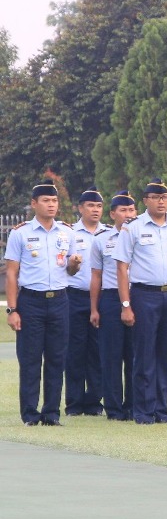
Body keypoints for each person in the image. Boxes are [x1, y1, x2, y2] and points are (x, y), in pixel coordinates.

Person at [114, 178, 167, 425]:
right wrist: (126, 305)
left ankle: (161, 408)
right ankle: (143, 410)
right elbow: (121, 267)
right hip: (144, 295)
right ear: (145, 200)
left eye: (165, 198)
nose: (161, 202)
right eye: (156, 197)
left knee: (166, 354)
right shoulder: (133, 227)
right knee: (144, 354)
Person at [4, 181, 77, 426]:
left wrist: (75, 264)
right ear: (34, 204)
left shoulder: (66, 232)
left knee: (57, 359)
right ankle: (29, 414)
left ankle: (52, 413)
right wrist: (12, 309)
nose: (51, 205)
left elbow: (70, 270)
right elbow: (12, 274)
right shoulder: (21, 232)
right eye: (46, 201)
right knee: (31, 359)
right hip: (31, 301)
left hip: (59, 300)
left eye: (54, 201)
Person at [89, 190, 138, 421]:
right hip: (110, 299)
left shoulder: (141, 236)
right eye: (123, 210)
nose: (128, 214)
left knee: (135, 354)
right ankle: (114, 408)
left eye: (131, 209)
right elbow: (96, 276)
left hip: (137, 297)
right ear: (112, 214)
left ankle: (132, 405)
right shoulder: (102, 240)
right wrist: (94, 308)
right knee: (111, 356)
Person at [64, 186, 105, 417]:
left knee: (97, 351)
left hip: (100, 298)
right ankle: (74, 403)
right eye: (90, 205)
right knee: (75, 351)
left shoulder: (108, 234)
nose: (95, 210)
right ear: (80, 208)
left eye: (99, 206)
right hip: (75, 296)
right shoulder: (69, 233)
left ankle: (94, 402)